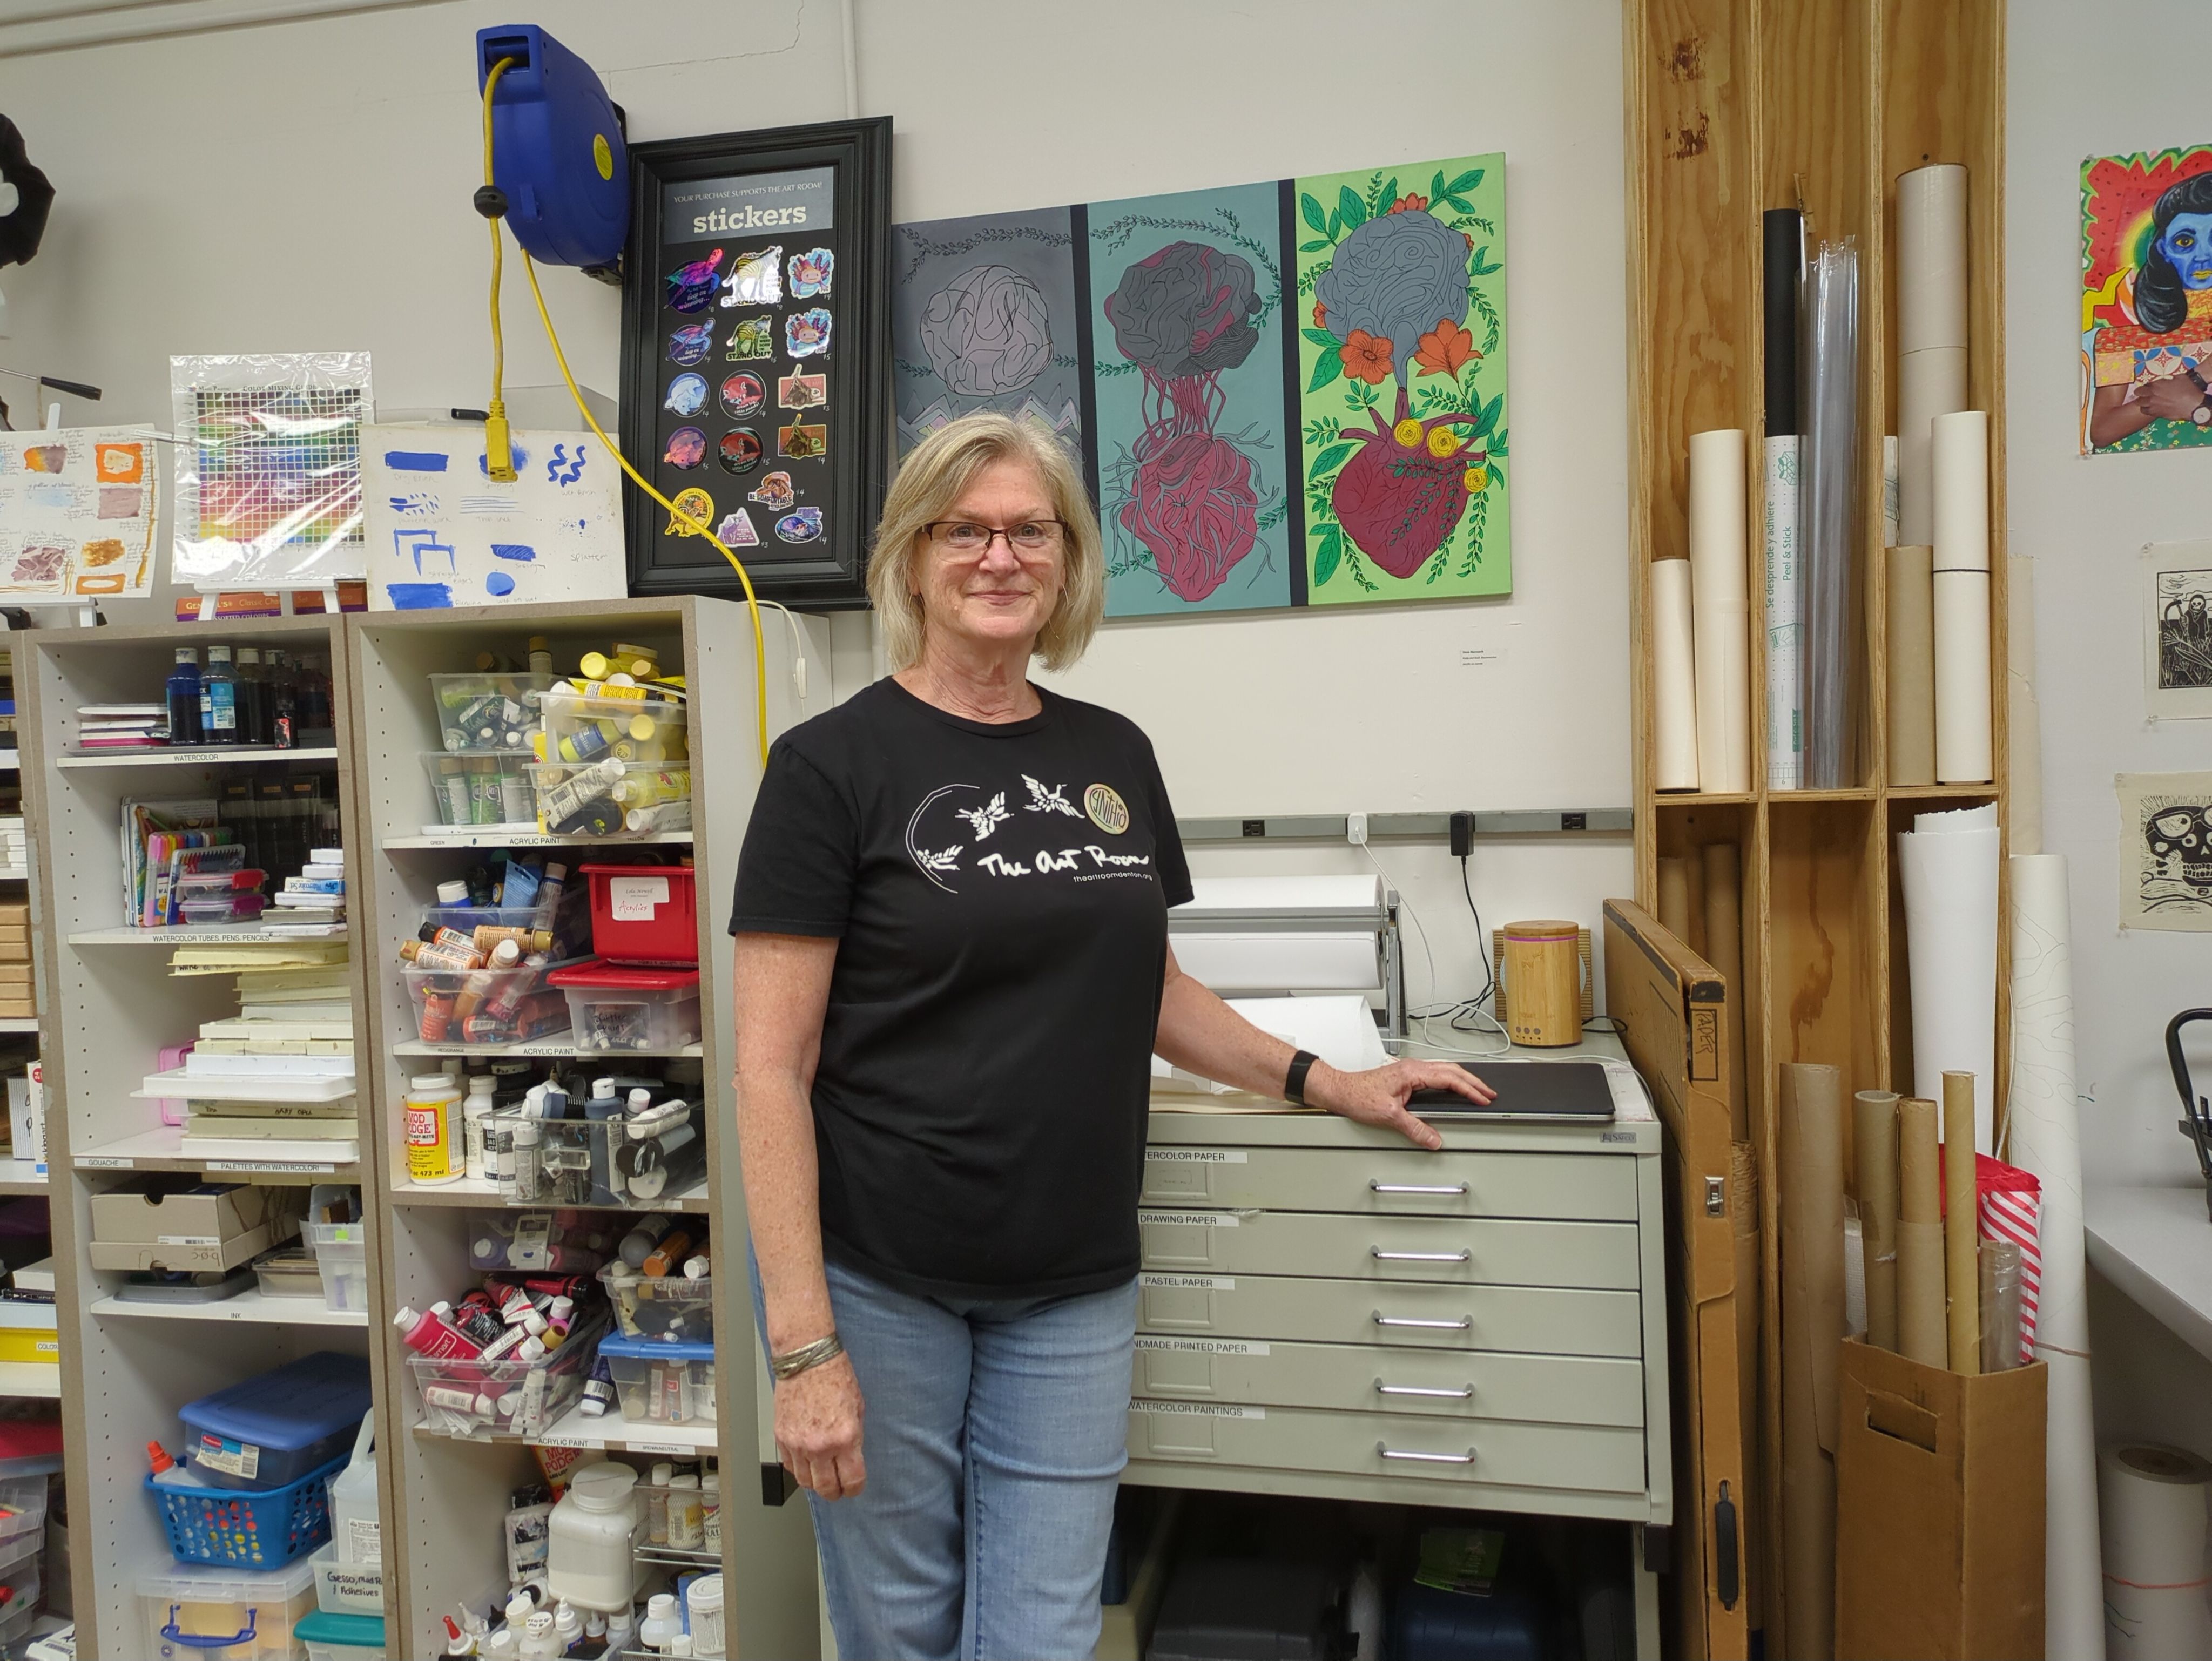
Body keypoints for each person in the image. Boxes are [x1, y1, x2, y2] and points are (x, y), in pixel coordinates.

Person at [730, 410, 1493, 1658]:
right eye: (964, 530)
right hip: (882, 1277)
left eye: (1030, 530)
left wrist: (1327, 1080)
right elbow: (771, 1066)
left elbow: (1153, 991)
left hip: (1073, 1279)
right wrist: (803, 1341)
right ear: (914, 557)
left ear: (1069, 557)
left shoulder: (1112, 754)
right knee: (900, 1625)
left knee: (1041, 1632)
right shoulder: (830, 767)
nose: (998, 556)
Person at [2089, 170, 2212, 448]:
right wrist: (2199, 376)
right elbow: (2102, 431)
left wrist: (2196, 405)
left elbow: (2194, 404)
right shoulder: (2123, 336)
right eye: (2185, 242)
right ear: (2163, 249)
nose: (2203, 255)